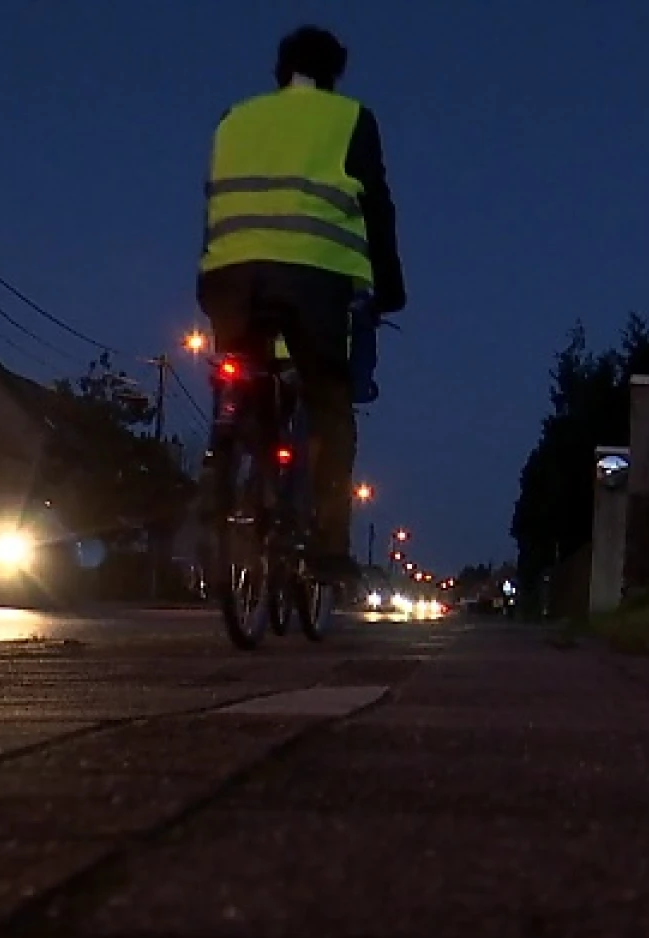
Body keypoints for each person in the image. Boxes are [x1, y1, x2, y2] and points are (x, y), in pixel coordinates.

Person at [196, 24, 406, 585]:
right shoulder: (350, 119)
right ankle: (330, 547)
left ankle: (230, 447)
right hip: (313, 281)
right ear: (335, 74)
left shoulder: (233, 118)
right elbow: (378, 207)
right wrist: (391, 289)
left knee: (241, 373)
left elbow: (213, 201)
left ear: (278, 70)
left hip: (229, 276)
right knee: (331, 404)